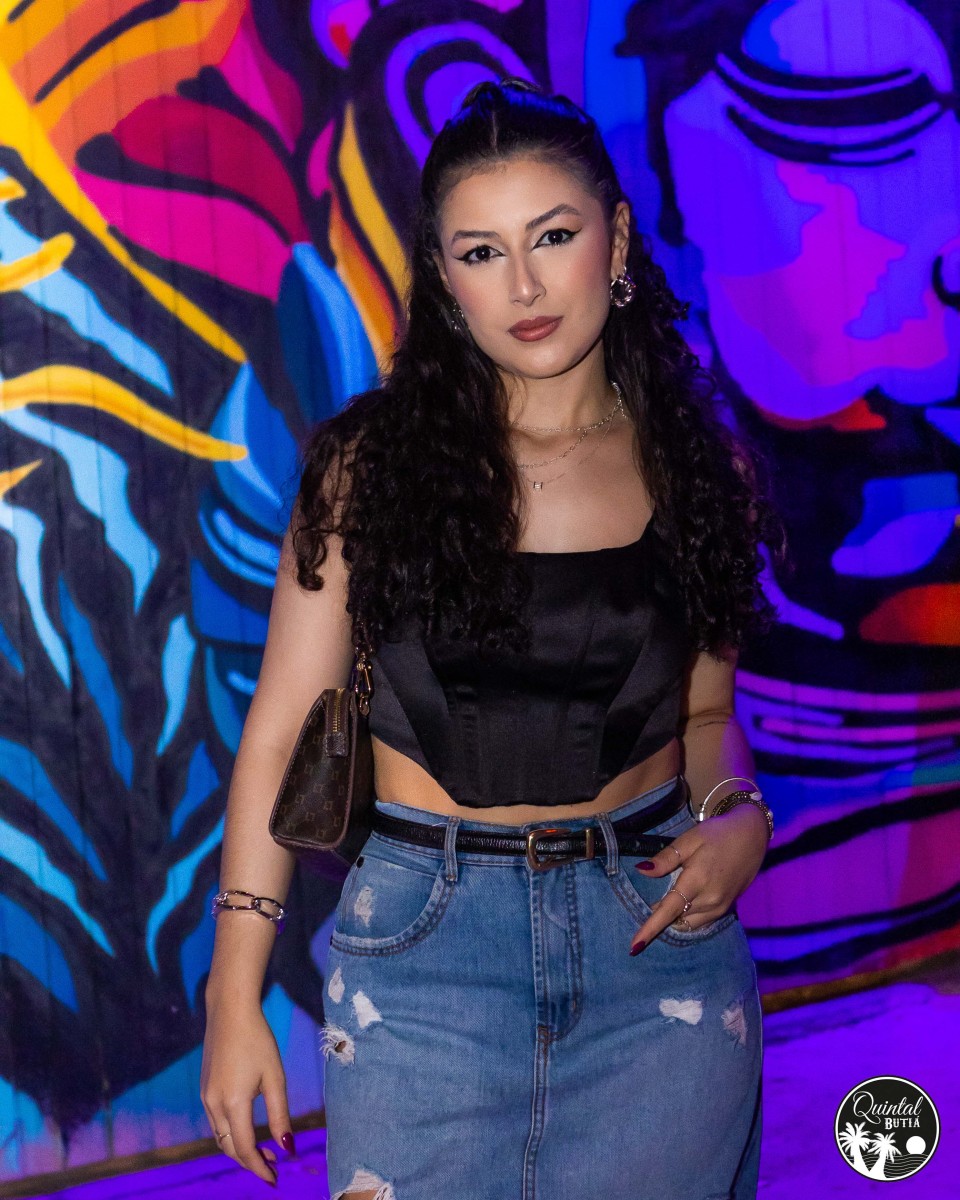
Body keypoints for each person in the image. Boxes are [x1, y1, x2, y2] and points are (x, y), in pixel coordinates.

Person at [200, 78, 784, 1200]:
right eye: (481, 252)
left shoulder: (700, 468)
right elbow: (278, 735)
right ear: (442, 275)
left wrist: (741, 821)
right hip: (422, 961)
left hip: (656, 950)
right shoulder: (368, 469)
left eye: (553, 237)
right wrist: (235, 996)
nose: (523, 286)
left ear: (617, 239)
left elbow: (709, 716)